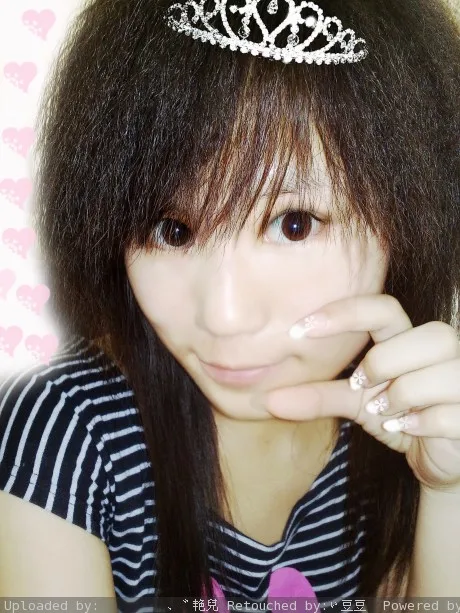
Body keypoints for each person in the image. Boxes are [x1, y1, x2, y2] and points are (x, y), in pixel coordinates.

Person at [0, 0, 459, 607]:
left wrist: (447, 490)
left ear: (410, 218)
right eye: (173, 230)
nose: (224, 316)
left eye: (294, 224)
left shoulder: (400, 424)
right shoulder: (66, 432)